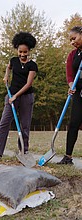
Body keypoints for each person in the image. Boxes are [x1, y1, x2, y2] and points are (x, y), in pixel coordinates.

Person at [0, 32, 38, 162]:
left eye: (25, 52)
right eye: (20, 52)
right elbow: (8, 68)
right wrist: (6, 75)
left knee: (24, 125)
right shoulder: (13, 61)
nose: (22, 55)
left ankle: (23, 152)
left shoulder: (32, 65)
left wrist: (16, 96)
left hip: (26, 97)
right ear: (17, 50)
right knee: (4, 123)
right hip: (11, 95)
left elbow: (28, 83)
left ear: (29, 51)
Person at [58, 26, 82, 165]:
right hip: (79, 93)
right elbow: (69, 74)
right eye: (70, 40)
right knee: (73, 123)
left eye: (74, 38)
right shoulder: (73, 55)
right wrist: (71, 85)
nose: (72, 42)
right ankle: (68, 157)